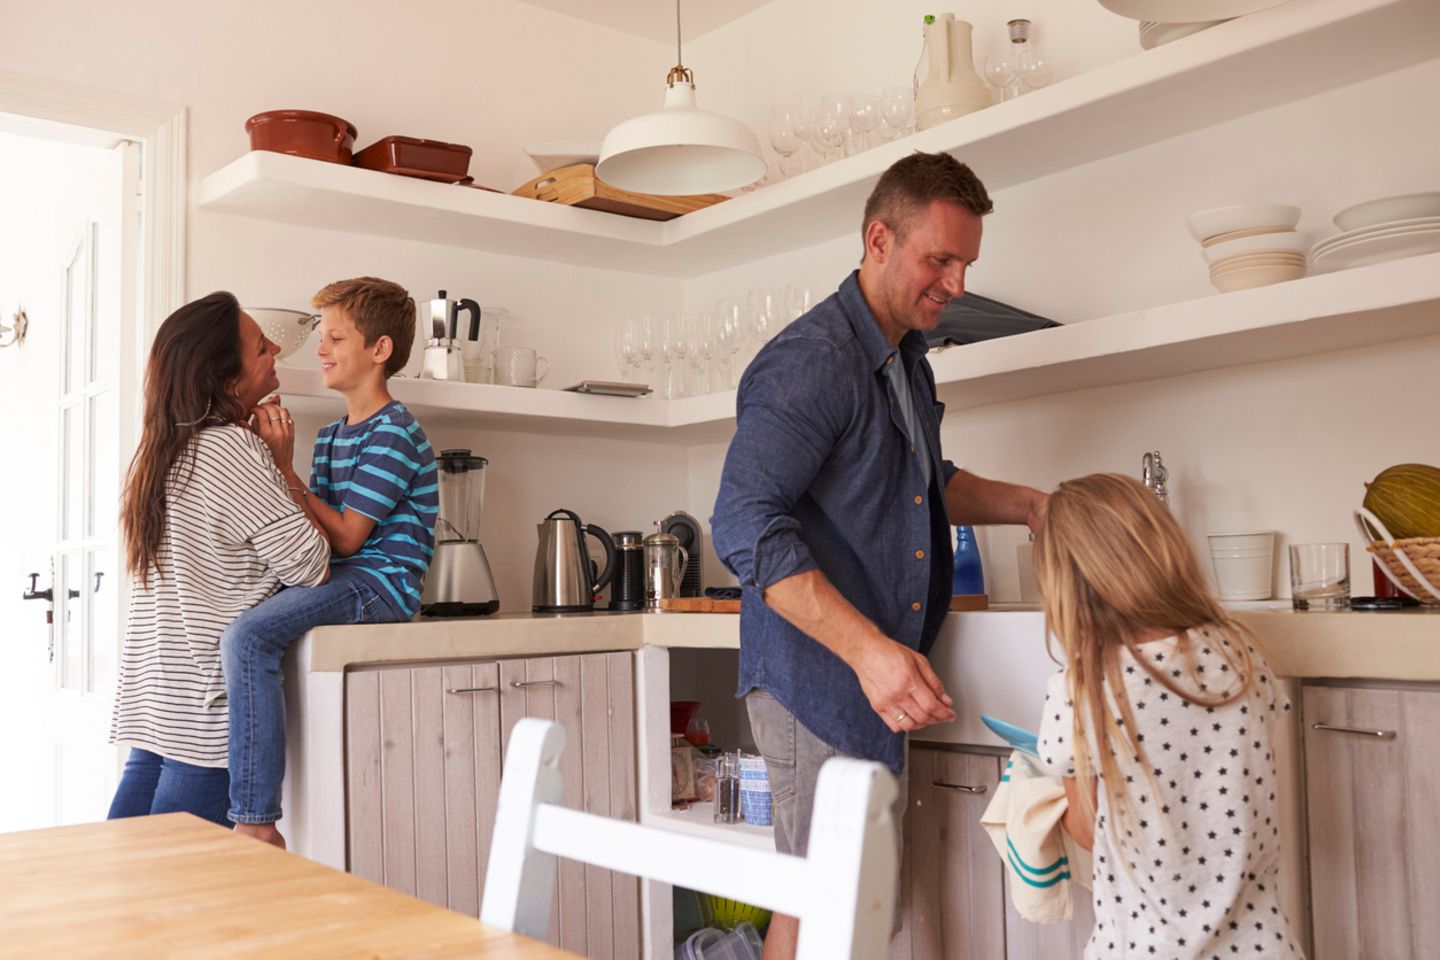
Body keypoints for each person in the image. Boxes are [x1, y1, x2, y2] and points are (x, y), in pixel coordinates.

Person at [710, 151, 1048, 959]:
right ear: (878, 239)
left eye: (966, 264)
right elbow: (742, 522)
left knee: (835, 900)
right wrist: (872, 655)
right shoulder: (815, 361)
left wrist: (1035, 507)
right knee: (826, 901)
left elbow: (923, 483)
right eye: (941, 259)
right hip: (819, 675)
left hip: (864, 671)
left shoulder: (903, 357)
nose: (957, 284)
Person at [1033, 473, 1304, 958]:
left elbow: (1088, 831)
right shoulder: (1238, 651)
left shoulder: (1081, 689)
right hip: (1263, 944)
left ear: (1064, 583)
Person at [221, 277, 438, 848]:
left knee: (248, 637)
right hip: (346, 578)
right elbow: (310, 537)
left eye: (336, 337)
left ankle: (255, 821)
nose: (320, 349)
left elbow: (344, 538)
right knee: (241, 623)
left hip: (381, 586)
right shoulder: (333, 437)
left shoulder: (396, 432)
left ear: (379, 350)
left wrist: (284, 470)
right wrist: (276, 467)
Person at [109, 293, 331, 827]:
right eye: (260, 347)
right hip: (205, 717)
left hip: (157, 707)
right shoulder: (230, 448)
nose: (276, 347)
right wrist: (281, 463)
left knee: (124, 888)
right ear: (227, 379)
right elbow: (310, 564)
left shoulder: (161, 450)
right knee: (176, 899)